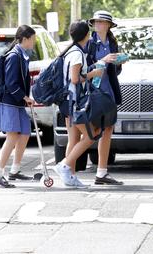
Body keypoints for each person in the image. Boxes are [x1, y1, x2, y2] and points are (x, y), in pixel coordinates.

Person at [54, 21, 105, 188]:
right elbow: (75, 79)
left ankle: (70, 177)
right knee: (92, 134)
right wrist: (93, 73)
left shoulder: (71, 51)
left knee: (74, 138)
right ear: (87, 36)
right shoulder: (76, 54)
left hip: (67, 102)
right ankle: (65, 165)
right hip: (75, 102)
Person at [0, 25, 37, 188]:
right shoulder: (14, 57)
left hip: (17, 103)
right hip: (9, 102)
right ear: (25, 39)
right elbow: (11, 83)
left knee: (25, 132)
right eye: (33, 39)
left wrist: (25, 98)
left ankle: (15, 170)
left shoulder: (23, 56)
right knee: (12, 136)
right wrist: (25, 97)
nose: (34, 42)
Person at [86, 10, 127, 185]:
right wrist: (103, 59)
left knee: (108, 129)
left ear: (109, 25)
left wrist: (118, 62)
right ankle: (67, 166)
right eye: (97, 22)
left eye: (103, 22)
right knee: (90, 131)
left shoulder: (112, 42)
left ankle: (102, 172)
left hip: (108, 91)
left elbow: (114, 72)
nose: (99, 25)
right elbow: (85, 68)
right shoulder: (89, 44)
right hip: (93, 92)